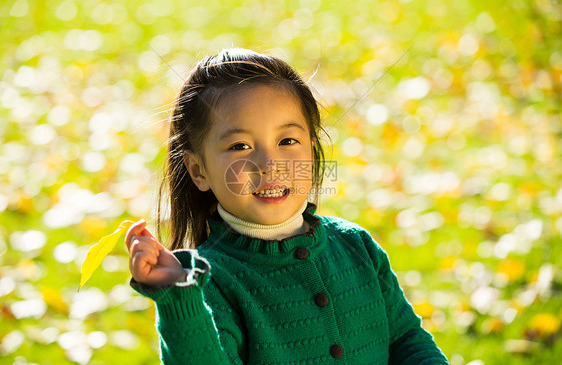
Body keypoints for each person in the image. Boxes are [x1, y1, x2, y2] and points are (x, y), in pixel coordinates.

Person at [125, 48, 449, 364]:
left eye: (287, 141)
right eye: (240, 146)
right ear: (199, 171)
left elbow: (405, 339)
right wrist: (178, 298)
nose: (269, 164)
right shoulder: (212, 281)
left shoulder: (356, 245)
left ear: (312, 147)